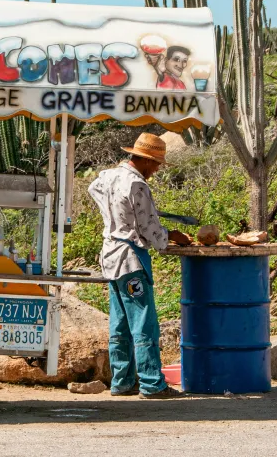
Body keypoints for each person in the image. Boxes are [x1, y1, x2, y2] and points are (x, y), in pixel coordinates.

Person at [87, 132, 190, 399]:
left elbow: (93, 190)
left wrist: (112, 216)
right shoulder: (137, 185)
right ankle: (151, 383)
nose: (156, 169)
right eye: (155, 164)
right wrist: (172, 237)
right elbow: (148, 228)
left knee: (120, 322)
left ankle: (122, 381)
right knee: (144, 321)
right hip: (130, 258)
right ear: (144, 160)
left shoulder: (107, 177)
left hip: (110, 255)